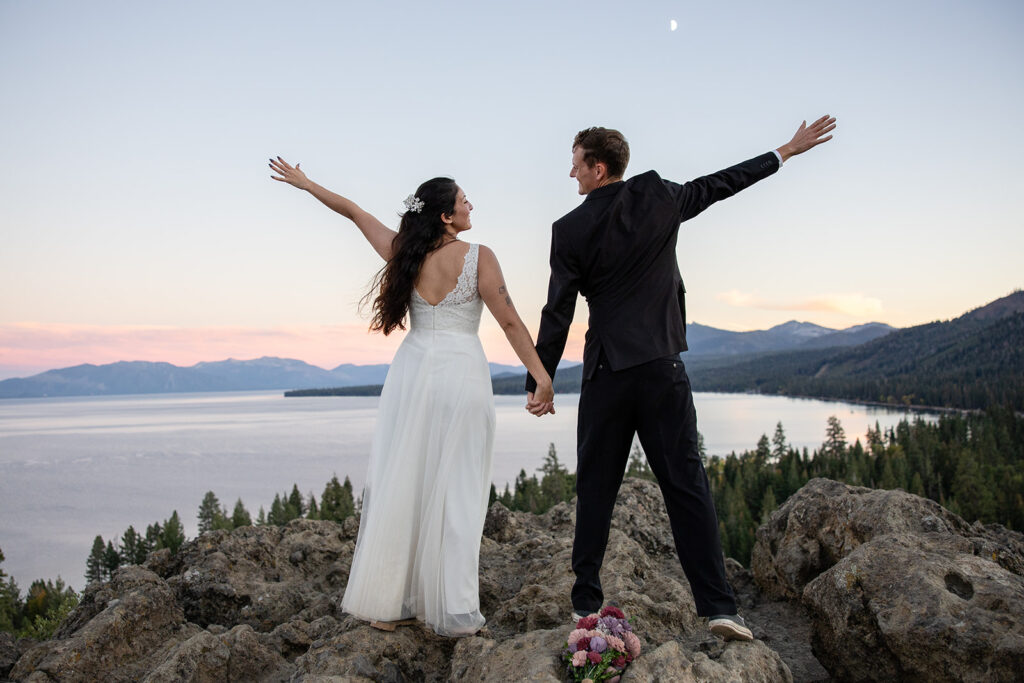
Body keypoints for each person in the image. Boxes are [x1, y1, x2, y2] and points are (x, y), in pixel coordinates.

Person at [524, 116, 837, 641]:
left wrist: (541, 378)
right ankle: (720, 609)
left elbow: (557, 313)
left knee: (596, 488)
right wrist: (783, 151)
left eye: (576, 162)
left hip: (606, 373)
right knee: (687, 488)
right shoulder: (660, 197)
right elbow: (721, 184)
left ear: (598, 168)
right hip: (663, 370)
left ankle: (586, 603)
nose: (570, 171)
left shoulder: (569, 229)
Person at [269, 157, 554, 636]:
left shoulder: (405, 252)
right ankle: (453, 609)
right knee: (457, 488)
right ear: (446, 214)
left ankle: (387, 603)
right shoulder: (479, 255)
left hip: (412, 372)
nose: (470, 206)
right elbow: (508, 319)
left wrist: (306, 183)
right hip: (461, 374)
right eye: (464, 200)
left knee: (403, 481)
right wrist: (540, 376)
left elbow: (354, 212)